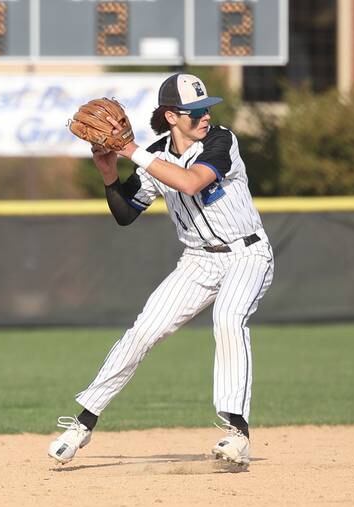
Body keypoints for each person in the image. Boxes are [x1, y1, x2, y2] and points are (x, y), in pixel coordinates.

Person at [49, 73, 274, 466]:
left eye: (207, 108)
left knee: (228, 318)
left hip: (247, 254)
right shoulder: (154, 154)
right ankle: (82, 424)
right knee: (142, 332)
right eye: (195, 111)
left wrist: (130, 150)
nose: (205, 116)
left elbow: (190, 182)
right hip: (198, 261)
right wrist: (108, 172)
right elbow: (125, 214)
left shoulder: (222, 141)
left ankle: (237, 434)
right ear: (172, 116)